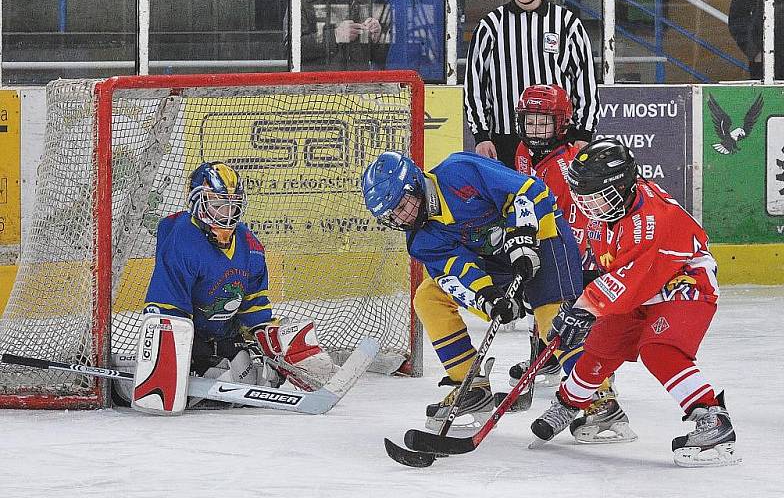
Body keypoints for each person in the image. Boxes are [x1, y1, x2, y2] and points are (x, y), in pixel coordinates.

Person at [529, 139, 739, 467]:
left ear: (623, 187)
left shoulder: (650, 222)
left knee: (659, 348)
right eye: (584, 198)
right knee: (600, 346)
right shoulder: (605, 210)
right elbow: (605, 267)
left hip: (683, 281)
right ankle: (573, 404)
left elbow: (627, 282)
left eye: (598, 197)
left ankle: (712, 419)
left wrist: (583, 309)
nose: (590, 207)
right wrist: (577, 304)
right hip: (641, 284)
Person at [361, 150, 583, 431]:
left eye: (402, 206)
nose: (402, 218)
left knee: (553, 318)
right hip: (496, 263)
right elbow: (457, 273)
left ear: (415, 184)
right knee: (429, 297)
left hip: (541, 237)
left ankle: (600, 398)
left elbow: (528, 190)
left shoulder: (459, 171)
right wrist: (489, 299)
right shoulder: (420, 240)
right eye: (393, 215)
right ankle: (472, 387)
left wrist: (522, 237)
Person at [117, 161, 337, 406]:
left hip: (224, 335)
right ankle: (139, 383)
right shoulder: (182, 240)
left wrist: (267, 340)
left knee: (254, 370)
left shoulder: (250, 245)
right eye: (219, 205)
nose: (227, 214)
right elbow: (167, 310)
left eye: (233, 206)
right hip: (189, 337)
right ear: (198, 204)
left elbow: (254, 304)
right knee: (223, 373)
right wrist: (188, 353)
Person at [510, 84, 636, 443]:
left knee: (575, 318)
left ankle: (602, 394)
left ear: (562, 124)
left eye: (542, 123)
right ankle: (547, 356)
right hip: (545, 236)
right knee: (544, 303)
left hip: (575, 245)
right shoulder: (522, 152)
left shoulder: (567, 165)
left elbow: (581, 215)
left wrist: (575, 255)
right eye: (529, 122)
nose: (534, 131)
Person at [464, 0, 600, 169]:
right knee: (511, 204)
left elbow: (585, 85)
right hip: (506, 139)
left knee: (558, 202)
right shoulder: (491, 26)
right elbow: (475, 86)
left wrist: (583, 133)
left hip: (558, 137)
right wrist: (481, 135)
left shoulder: (567, 24)